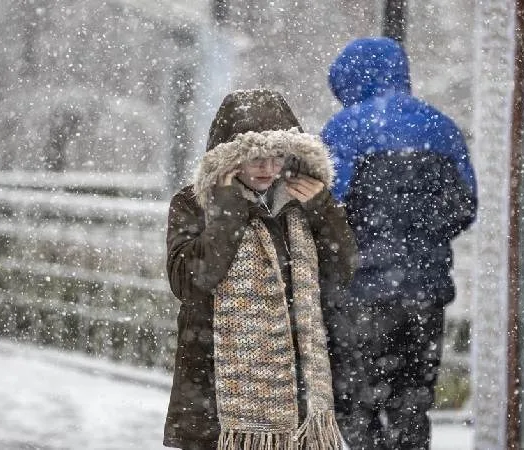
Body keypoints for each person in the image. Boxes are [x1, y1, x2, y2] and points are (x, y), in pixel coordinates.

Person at [163, 88, 358, 450]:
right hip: (214, 395)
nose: (269, 169)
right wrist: (228, 210)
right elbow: (190, 280)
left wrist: (323, 209)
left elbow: (343, 269)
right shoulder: (193, 204)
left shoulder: (301, 203)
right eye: (256, 159)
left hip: (295, 395)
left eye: (278, 157)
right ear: (229, 159)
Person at [321, 37, 478, 450]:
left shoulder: (345, 129)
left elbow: (327, 210)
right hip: (425, 294)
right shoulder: (443, 128)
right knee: (412, 405)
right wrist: (419, 244)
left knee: (356, 405)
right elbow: (465, 207)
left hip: (359, 295)